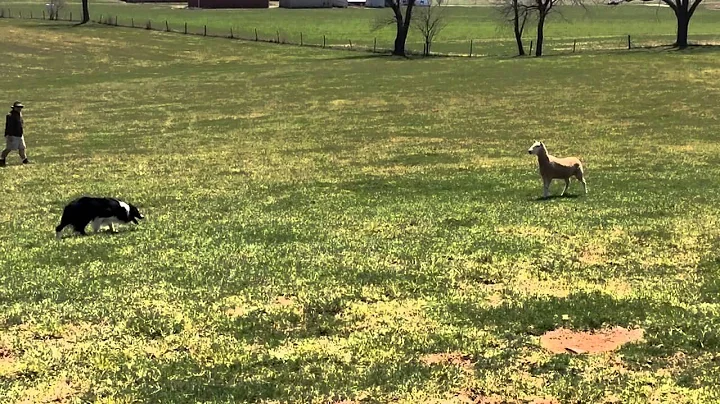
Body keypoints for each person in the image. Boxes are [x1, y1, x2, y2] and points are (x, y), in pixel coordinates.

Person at [1, 101, 30, 167]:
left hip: (19, 135)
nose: (19, 109)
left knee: (22, 148)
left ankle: (25, 160)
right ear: (14, 108)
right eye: (18, 107)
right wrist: (9, 136)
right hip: (12, 135)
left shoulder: (19, 114)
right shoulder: (10, 116)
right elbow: (9, 126)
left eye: (20, 107)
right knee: (9, 148)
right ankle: (1, 159)